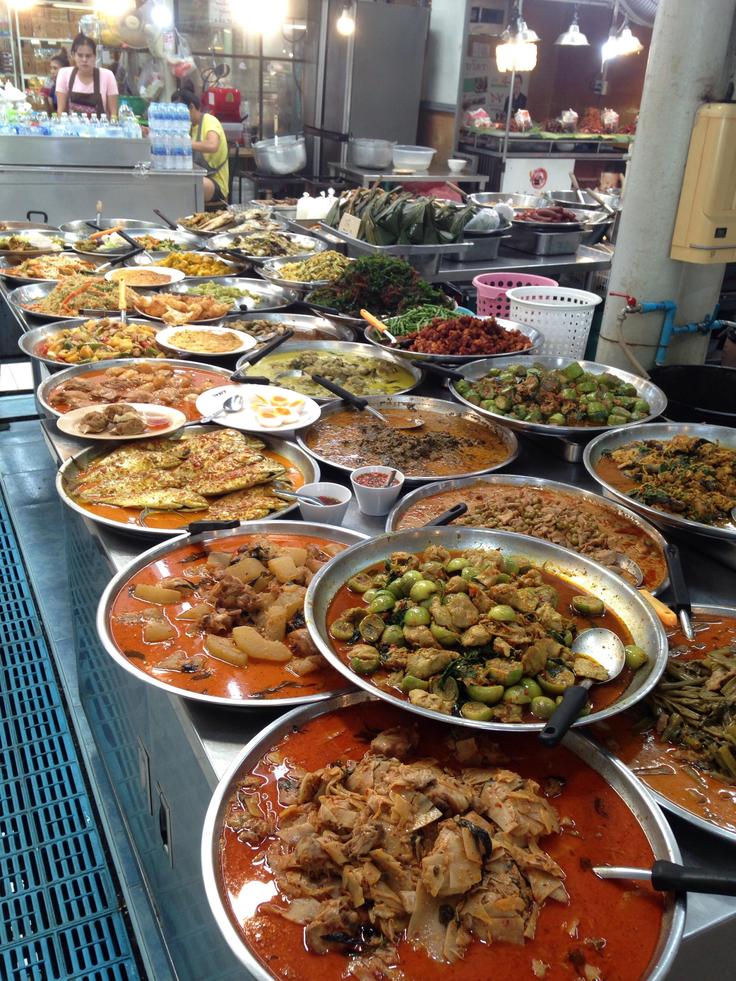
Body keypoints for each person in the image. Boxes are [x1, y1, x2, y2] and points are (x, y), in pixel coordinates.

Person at [172, 89, 229, 204]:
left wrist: (185, 143)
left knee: (186, 184)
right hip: (197, 178)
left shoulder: (209, 121)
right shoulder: (188, 128)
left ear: (191, 107)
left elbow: (212, 145)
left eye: (179, 111)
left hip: (215, 184)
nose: (176, 116)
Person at [55, 34, 118, 119]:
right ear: (73, 55)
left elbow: (113, 114)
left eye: (88, 56)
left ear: (95, 56)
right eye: (80, 55)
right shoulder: (64, 74)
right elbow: (60, 112)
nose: (84, 60)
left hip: (100, 130)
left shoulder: (107, 76)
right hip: (72, 130)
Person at [42, 48, 69, 114]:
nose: (52, 71)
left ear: (64, 70)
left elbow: (65, 111)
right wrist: (45, 97)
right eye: (51, 68)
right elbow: (51, 112)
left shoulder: (70, 87)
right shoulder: (53, 86)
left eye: (55, 68)